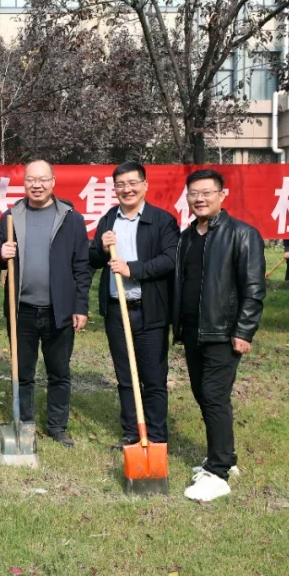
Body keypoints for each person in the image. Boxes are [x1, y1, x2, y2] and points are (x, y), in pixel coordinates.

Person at [174, 168, 265, 502]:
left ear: (222, 195)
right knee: (204, 393)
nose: (200, 198)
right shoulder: (187, 237)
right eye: (194, 193)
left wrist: (243, 331)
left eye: (207, 192)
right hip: (195, 331)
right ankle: (224, 455)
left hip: (223, 333)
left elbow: (254, 289)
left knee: (213, 395)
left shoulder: (242, 234)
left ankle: (218, 473)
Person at [0, 160, 92, 447]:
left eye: (43, 179)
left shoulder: (71, 218)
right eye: (31, 180)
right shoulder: (11, 217)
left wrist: (80, 306)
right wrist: (1, 253)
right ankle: (25, 423)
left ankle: (57, 427)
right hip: (20, 310)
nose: (37, 185)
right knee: (23, 372)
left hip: (59, 311)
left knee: (59, 371)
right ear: (24, 183)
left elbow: (81, 266)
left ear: (53, 181)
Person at [88, 161, 179, 452]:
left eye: (132, 183)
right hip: (118, 310)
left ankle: (157, 437)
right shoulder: (108, 221)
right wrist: (102, 249)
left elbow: (170, 259)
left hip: (150, 309)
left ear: (145, 185)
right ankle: (131, 433)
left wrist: (133, 269)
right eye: (121, 185)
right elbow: (91, 260)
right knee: (126, 377)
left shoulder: (162, 220)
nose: (127, 189)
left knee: (153, 378)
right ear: (114, 189)